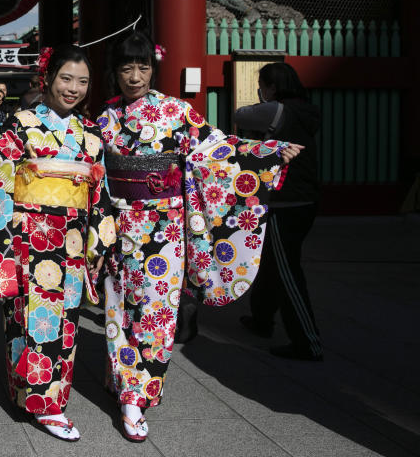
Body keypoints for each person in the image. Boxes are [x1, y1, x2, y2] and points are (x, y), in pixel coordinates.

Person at [94, 29, 303, 442]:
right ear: (114, 73)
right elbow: (92, 171)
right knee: (119, 307)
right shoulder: (105, 118)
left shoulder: (176, 110)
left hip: (166, 227)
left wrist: (267, 152)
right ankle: (123, 381)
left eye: (143, 67)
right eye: (126, 68)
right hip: (120, 224)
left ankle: (135, 395)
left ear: (153, 68)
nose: (135, 76)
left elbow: (215, 150)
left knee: (157, 313)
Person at [0, 44, 117, 443]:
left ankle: (38, 396)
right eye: (66, 78)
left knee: (64, 321)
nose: (74, 88)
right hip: (30, 236)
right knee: (30, 317)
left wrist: (99, 242)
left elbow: (99, 192)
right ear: (47, 78)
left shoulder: (91, 134)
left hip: (72, 237)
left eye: (82, 82)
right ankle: (41, 402)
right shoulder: (22, 124)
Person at [235, 62, 323, 360]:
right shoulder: (306, 109)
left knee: (287, 272)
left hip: (286, 202)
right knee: (273, 262)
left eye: (262, 86)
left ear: (271, 87)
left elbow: (240, 115)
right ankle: (261, 320)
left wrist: (264, 101)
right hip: (305, 199)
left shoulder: (277, 110)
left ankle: (308, 343)